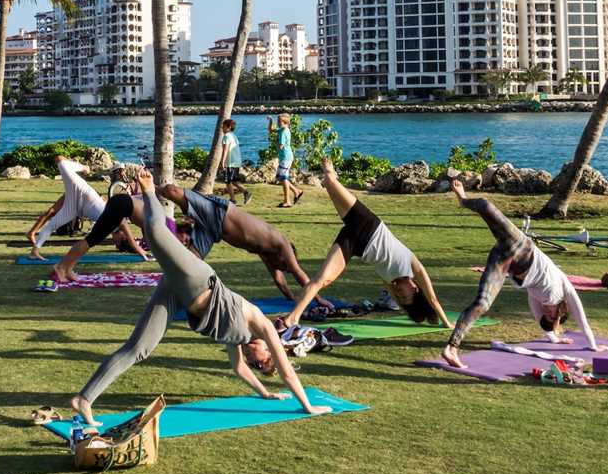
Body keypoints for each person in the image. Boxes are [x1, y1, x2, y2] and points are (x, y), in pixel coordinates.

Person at [69, 169, 325, 426]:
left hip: (178, 293)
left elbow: (239, 369)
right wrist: (307, 406)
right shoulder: (262, 325)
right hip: (200, 280)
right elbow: (287, 372)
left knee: (139, 349)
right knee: (158, 234)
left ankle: (84, 399)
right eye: (259, 361)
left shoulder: (237, 339)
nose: (251, 358)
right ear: (269, 350)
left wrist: (265, 393)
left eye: (255, 363)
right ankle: (148, 190)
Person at [440, 179, 605, 369]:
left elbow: (540, 317)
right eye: (551, 315)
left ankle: (451, 348)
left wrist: (553, 337)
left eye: (546, 316)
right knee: (485, 205)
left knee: (483, 303)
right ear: (560, 311)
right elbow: (580, 316)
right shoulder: (564, 288)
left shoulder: (537, 299)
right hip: (521, 246)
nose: (546, 313)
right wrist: (592, 345)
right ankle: (463, 199)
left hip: (504, 259)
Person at [281, 158, 449, 330]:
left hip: (355, 243)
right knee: (330, 182)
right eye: (404, 297)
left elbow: (412, 309)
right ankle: (331, 174)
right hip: (367, 225)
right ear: (415, 290)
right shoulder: (414, 267)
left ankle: (292, 318)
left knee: (322, 280)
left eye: (400, 299)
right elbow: (433, 300)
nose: (399, 295)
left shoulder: (389, 282)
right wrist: (447, 323)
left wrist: (414, 312)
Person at [159, 183, 309, 299]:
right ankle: (147, 187)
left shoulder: (266, 253)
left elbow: (279, 280)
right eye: (284, 265)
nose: (279, 268)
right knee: (171, 191)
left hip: (213, 232)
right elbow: (298, 272)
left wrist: (292, 298)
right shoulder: (281, 243)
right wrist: (317, 298)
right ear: (285, 257)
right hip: (218, 213)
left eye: (283, 268)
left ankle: (174, 296)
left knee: (189, 264)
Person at [25, 156, 146, 264]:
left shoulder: (109, 229)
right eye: (117, 242)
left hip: (76, 208)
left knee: (51, 225)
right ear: (122, 237)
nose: (114, 241)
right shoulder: (119, 222)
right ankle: (84, 167)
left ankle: (34, 252)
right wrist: (139, 249)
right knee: (60, 161)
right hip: (81, 191)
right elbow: (130, 235)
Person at [268, 113, 303, 207]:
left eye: (279, 121)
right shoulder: (282, 129)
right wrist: (271, 120)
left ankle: (287, 201)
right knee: (281, 177)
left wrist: (277, 144)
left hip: (286, 157)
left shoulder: (283, 132)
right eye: (277, 121)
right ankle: (297, 191)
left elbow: (281, 145)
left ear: (285, 122)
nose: (278, 123)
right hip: (284, 157)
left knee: (283, 178)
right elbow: (271, 130)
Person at [219, 119, 251, 204]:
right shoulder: (234, 136)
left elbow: (225, 150)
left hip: (230, 162)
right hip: (236, 162)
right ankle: (245, 193)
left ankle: (233, 199)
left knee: (228, 181)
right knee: (233, 180)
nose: (222, 127)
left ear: (228, 127)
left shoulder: (226, 136)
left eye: (224, 126)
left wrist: (222, 162)